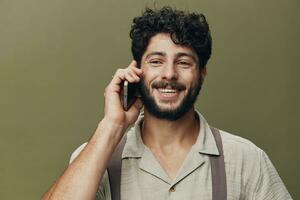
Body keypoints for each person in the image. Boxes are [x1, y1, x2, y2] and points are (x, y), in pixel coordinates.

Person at [42, 7, 292, 200]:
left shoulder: (247, 160)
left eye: (183, 62)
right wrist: (111, 126)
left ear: (202, 73)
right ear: (137, 71)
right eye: (156, 61)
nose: (169, 74)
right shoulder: (96, 156)